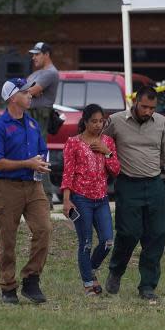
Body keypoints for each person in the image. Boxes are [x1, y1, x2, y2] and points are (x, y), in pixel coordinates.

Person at [103, 86, 165, 303]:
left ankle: (147, 285)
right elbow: (99, 144)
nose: (148, 111)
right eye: (144, 106)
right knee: (128, 233)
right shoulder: (116, 121)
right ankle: (116, 271)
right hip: (128, 184)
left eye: (152, 108)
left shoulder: (161, 122)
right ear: (136, 102)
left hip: (155, 184)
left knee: (156, 235)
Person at [0, 78, 52, 304]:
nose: (30, 94)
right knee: (7, 240)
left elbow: (42, 150)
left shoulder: (31, 124)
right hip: (7, 188)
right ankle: (8, 286)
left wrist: (42, 163)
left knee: (44, 229)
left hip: (34, 186)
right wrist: (27, 163)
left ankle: (31, 280)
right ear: (13, 98)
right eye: (25, 92)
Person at [61, 104, 120, 296]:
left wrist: (106, 151)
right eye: (93, 121)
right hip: (80, 199)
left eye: (101, 121)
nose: (97, 125)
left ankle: (90, 270)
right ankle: (88, 284)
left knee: (107, 241)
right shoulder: (73, 143)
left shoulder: (108, 142)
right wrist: (67, 200)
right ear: (85, 122)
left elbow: (116, 170)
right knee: (85, 242)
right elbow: (68, 173)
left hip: (101, 199)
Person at [25, 42, 60, 200]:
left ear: (46, 54)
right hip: (29, 113)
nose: (33, 57)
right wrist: (29, 90)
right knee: (29, 153)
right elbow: (23, 88)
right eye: (33, 54)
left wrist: (31, 90)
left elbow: (29, 90)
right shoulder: (37, 73)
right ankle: (35, 194)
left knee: (39, 153)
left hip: (39, 115)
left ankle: (45, 196)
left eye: (37, 54)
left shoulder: (50, 73)